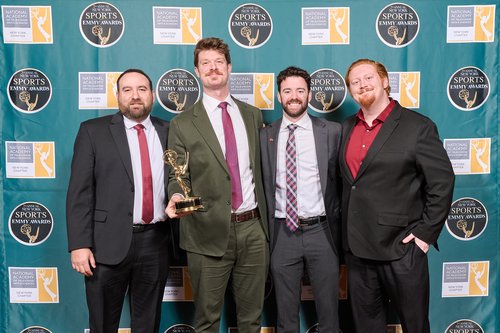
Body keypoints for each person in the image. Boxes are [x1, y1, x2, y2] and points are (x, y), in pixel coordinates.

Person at [340, 59, 455, 333]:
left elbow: (442, 182)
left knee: (415, 326)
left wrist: (425, 236)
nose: (362, 85)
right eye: (355, 82)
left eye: (368, 78)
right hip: (358, 250)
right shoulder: (346, 127)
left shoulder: (417, 126)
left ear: (384, 81)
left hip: (401, 248)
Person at [165, 37, 269, 333]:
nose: (213, 68)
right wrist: (176, 195)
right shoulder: (183, 123)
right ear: (197, 71)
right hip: (205, 230)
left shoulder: (252, 115)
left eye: (219, 62)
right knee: (207, 320)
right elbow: (177, 174)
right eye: (206, 63)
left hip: (253, 229)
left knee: (251, 320)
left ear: (229, 67)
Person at [66, 69, 171, 333]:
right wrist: (80, 244)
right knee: (102, 324)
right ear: (117, 96)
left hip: (155, 242)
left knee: (148, 324)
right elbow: (79, 192)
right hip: (105, 245)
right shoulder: (93, 131)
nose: (135, 96)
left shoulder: (168, 131)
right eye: (127, 90)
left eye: (142, 89)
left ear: (153, 95)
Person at [260, 66, 341, 332]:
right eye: (287, 91)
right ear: (278, 96)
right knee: (285, 315)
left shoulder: (331, 131)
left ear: (309, 94)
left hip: (322, 230)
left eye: (300, 90)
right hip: (283, 232)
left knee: (329, 313)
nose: (294, 96)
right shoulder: (265, 136)